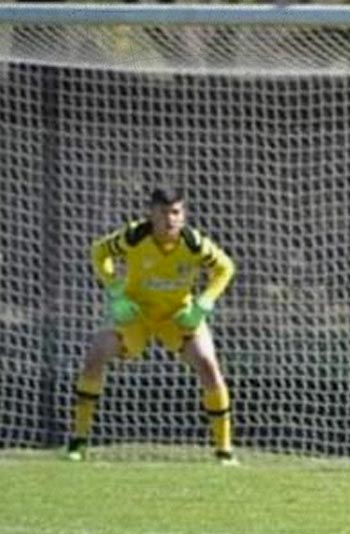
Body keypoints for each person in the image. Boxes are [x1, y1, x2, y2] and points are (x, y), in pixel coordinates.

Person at [67, 187, 238, 465]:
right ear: (151, 213)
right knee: (95, 356)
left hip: (177, 315)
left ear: (183, 215)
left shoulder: (194, 244)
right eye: (163, 212)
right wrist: (116, 292)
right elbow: (98, 252)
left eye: (176, 212)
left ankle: (225, 452)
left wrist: (204, 302)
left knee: (208, 365)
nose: (170, 219)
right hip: (136, 313)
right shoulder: (134, 237)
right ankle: (78, 441)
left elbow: (225, 268)